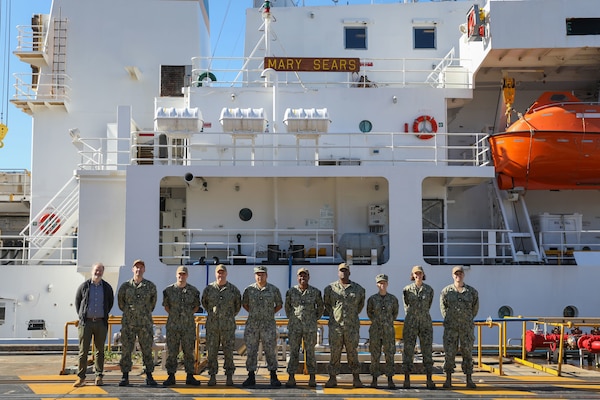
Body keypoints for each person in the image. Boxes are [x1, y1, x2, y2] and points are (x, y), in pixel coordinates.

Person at [323, 262, 366, 388]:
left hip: (351, 327)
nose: (343, 273)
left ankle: (356, 378)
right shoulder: (330, 289)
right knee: (335, 352)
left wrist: (350, 316)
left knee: (352, 352)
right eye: (341, 270)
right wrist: (336, 315)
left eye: (345, 270)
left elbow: (360, 305)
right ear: (338, 273)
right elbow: (327, 305)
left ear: (349, 272)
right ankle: (332, 378)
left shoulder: (358, 289)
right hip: (336, 327)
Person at [117, 259, 158, 386]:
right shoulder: (125, 286)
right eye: (136, 267)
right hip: (128, 324)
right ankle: (125, 376)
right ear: (132, 269)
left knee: (146, 349)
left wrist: (142, 313)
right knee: (126, 350)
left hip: (145, 324)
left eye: (141, 267)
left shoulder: (150, 286)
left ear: (144, 270)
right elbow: (121, 303)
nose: (138, 270)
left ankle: (149, 375)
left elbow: (152, 304)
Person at [73, 262, 114, 387]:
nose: (98, 272)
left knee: (99, 351)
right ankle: (81, 377)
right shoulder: (84, 286)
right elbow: (78, 301)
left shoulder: (106, 287)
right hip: (86, 323)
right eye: (96, 270)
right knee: (83, 351)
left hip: (101, 323)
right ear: (92, 271)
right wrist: (82, 316)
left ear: (103, 272)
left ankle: (99, 376)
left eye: (100, 270)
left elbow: (110, 302)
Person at [241, 265, 283, 387]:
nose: (260, 276)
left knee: (270, 350)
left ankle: (273, 376)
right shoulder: (249, 290)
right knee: (251, 351)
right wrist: (254, 314)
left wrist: (269, 314)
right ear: (255, 276)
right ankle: (251, 376)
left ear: (266, 275)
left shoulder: (273, 290)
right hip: (252, 325)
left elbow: (279, 305)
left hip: (268, 325)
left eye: (262, 274)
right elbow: (245, 304)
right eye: (258, 274)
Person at [201, 264, 242, 386]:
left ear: (226, 274)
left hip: (228, 327)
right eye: (218, 272)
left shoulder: (233, 290)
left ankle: (229, 376)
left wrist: (227, 316)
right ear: (216, 274)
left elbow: (237, 306)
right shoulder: (209, 289)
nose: (220, 274)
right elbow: (205, 303)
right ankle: (212, 375)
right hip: (212, 326)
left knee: (228, 351)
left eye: (222, 272)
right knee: (212, 352)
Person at [440, 265, 479, 389]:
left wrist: (466, 319)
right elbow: (443, 308)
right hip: (451, 328)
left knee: (467, 353)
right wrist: (451, 319)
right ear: (452, 275)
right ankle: (448, 379)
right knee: (449, 353)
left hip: (466, 328)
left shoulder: (472, 292)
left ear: (463, 275)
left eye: (460, 273)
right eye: (456, 274)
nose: (458, 276)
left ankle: (469, 379)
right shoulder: (446, 291)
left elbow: (475, 308)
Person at [162, 265, 202, 386]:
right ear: (176, 275)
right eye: (179, 274)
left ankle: (190, 376)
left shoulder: (193, 291)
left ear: (187, 276)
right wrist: (176, 316)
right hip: (173, 326)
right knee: (172, 351)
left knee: (189, 351)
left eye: (184, 274)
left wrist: (187, 315)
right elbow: (166, 307)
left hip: (188, 326)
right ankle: (171, 376)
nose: (181, 276)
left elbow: (196, 306)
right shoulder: (168, 291)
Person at [284, 267, 324, 388]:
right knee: (294, 352)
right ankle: (291, 377)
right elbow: (288, 308)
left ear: (308, 277)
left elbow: (320, 308)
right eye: (300, 276)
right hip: (295, 327)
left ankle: (312, 377)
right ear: (297, 278)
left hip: (310, 327)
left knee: (310, 352)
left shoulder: (315, 292)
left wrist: (312, 319)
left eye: (305, 276)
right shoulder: (291, 292)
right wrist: (293, 318)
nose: (302, 278)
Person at [403, 265, 436, 389]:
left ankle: (429, 379)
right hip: (410, 323)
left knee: (427, 350)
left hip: (425, 323)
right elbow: (406, 306)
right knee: (408, 351)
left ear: (423, 275)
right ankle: (407, 379)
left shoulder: (429, 290)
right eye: (415, 273)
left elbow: (429, 305)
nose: (418, 275)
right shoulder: (406, 290)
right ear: (412, 275)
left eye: (420, 273)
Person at [366, 273, 399, 389]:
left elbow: (395, 313)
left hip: (388, 331)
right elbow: (369, 312)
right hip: (375, 330)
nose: (382, 285)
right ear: (377, 285)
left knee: (389, 354)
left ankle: (390, 379)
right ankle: (374, 379)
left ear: (387, 284)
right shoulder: (372, 299)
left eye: (384, 283)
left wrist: (387, 322)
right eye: (380, 283)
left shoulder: (393, 299)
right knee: (375, 355)